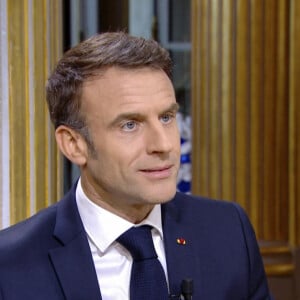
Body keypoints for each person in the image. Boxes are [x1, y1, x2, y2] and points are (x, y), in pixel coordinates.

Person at [0, 31, 272, 300]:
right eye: (130, 125)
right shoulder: (10, 265)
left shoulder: (228, 232)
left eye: (166, 117)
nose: (163, 144)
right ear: (74, 144)